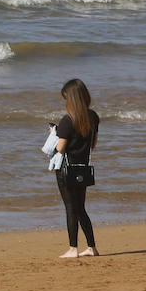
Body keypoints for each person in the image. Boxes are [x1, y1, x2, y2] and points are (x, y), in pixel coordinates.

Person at [50, 78, 99, 258]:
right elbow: (93, 144)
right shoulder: (93, 117)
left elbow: (60, 148)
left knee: (71, 208)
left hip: (66, 169)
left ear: (71, 99)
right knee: (80, 208)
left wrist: (54, 136)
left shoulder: (67, 121)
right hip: (83, 168)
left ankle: (73, 249)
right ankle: (92, 247)